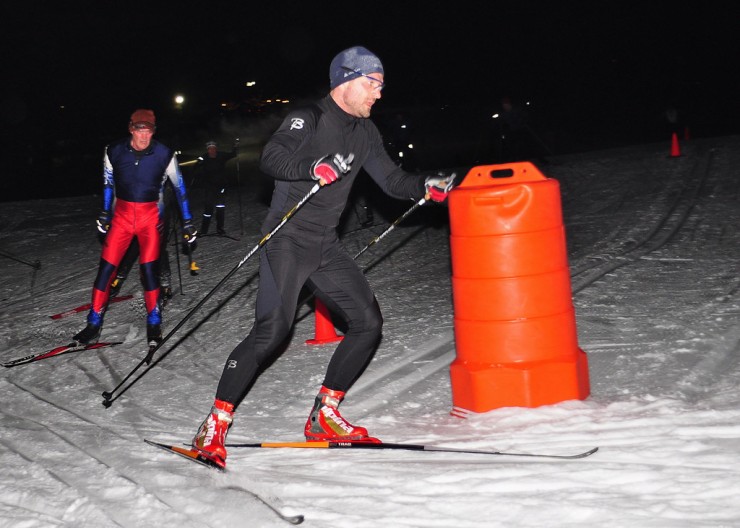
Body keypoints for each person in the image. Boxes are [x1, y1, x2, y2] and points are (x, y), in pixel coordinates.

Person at [190, 46, 456, 468]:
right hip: (286, 240)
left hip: (324, 245)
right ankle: (214, 425)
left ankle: (324, 415)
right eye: (372, 83)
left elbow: (391, 180)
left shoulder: (365, 132)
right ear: (346, 81)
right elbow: (272, 158)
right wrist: (314, 165)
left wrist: (426, 184)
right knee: (273, 330)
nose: (378, 94)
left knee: (368, 324)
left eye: (381, 85)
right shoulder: (308, 118)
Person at [73, 109, 197, 347]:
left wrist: (188, 222)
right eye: (140, 130)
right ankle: (93, 323)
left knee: (149, 272)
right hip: (121, 219)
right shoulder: (114, 150)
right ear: (131, 128)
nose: (144, 136)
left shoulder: (165, 153)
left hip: (149, 220)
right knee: (105, 271)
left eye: (149, 130)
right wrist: (105, 212)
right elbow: (108, 183)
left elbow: (180, 189)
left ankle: (154, 321)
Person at [197, 140, 237, 235]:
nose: (212, 150)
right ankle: (203, 230)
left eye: (214, 148)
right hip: (209, 187)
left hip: (221, 187)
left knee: (220, 208)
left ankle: (220, 229)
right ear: (208, 150)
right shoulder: (204, 157)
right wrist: (198, 162)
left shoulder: (221, 156)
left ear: (216, 149)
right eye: (210, 149)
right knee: (208, 210)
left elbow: (232, 155)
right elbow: (198, 162)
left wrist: (235, 147)